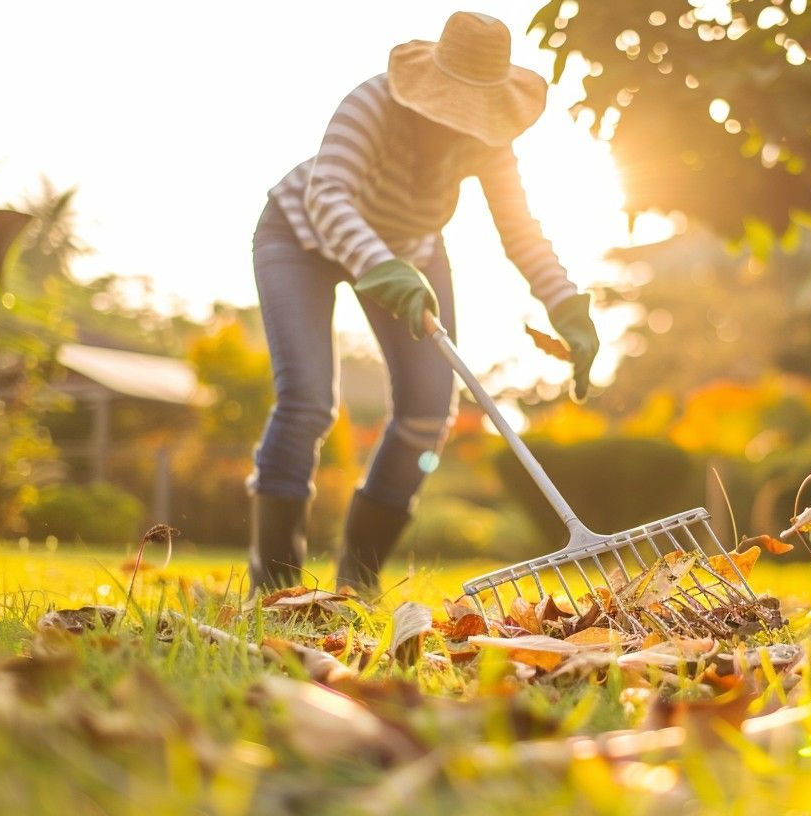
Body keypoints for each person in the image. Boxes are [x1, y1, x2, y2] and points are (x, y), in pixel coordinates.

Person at [246, 11, 598, 593]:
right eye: (451, 110)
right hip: (298, 236)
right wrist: (379, 266)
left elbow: (520, 230)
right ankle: (276, 585)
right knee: (307, 399)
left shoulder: (490, 138)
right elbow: (328, 193)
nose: (461, 128)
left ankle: (355, 580)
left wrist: (567, 307)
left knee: (427, 413)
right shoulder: (372, 104)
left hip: (411, 251)